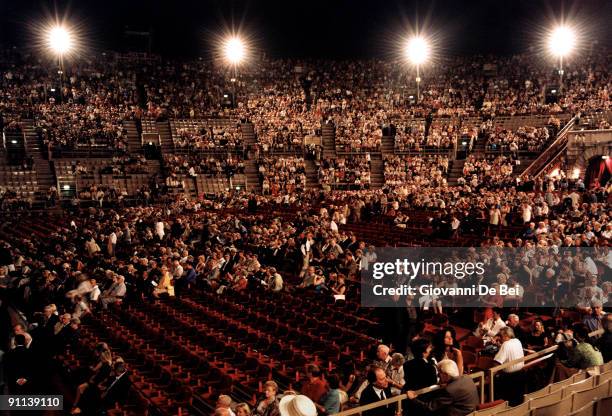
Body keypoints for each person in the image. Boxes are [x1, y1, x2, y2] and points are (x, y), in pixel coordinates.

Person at [405, 359, 478, 416]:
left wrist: (413, 399)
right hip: (471, 411)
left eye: (439, 374)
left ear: (446, 374)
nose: (438, 376)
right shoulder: (467, 378)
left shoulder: (450, 390)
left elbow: (429, 408)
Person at [493, 327, 524, 405]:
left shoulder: (506, 344)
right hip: (520, 375)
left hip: (509, 378)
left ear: (506, 335)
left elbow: (497, 363)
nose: (499, 338)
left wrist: (490, 376)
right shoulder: (517, 341)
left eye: (501, 336)